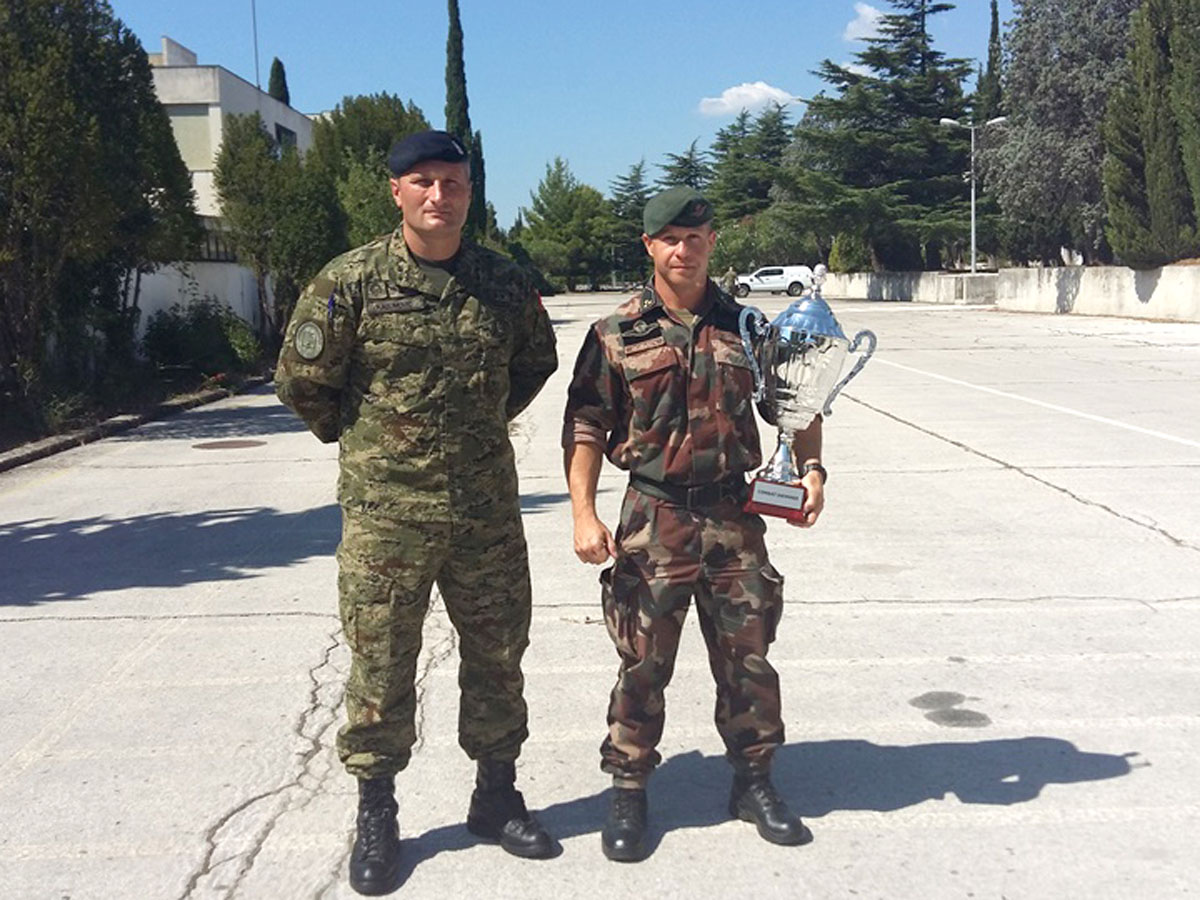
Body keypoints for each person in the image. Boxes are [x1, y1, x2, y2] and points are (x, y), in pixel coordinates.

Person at [276, 130, 559, 895]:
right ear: (396, 191)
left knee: (498, 654)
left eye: (453, 182)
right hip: (387, 519)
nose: (440, 195)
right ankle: (378, 812)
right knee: (381, 664)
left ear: (470, 191)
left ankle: (496, 796)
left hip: (485, 514)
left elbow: (534, 362)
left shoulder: (503, 283)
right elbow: (303, 382)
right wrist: (372, 445)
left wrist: (477, 427)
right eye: (424, 182)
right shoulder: (350, 281)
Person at [562, 185, 825, 862]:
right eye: (671, 239)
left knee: (748, 657)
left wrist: (812, 470)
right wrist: (584, 512)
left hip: (734, 514)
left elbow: (798, 404)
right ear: (650, 245)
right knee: (643, 661)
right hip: (654, 515)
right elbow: (585, 425)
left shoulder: (749, 327)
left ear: (712, 243)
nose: (684, 249)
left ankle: (755, 781)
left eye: (695, 237)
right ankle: (628, 787)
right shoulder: (616, 332)